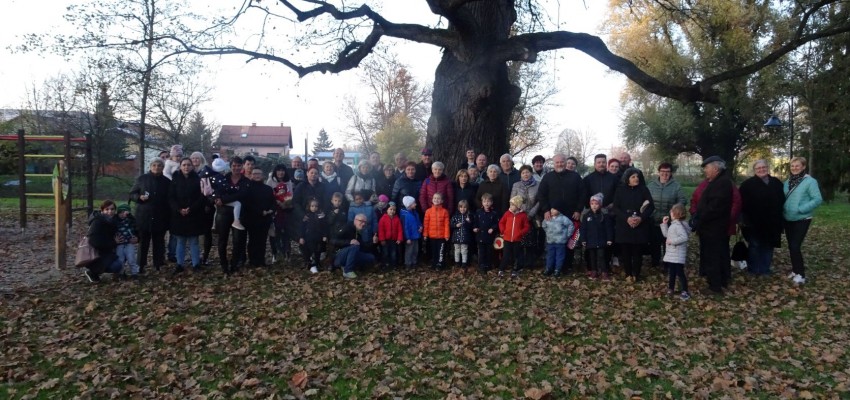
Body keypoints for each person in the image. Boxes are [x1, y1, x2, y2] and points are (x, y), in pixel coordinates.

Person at [692, 156, 733, 294]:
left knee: (713, 256)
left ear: (716, 168)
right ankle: (720, 281)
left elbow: (714, 207)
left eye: (707, 167)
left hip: (713, 228)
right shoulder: (717, 181)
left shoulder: (722, 183)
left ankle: (715, 286)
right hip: (711, 227)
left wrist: (699, 218)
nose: (705, 170)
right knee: (715, 255)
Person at [537, 154, 585, 272]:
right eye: (557, 162)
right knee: (553, 241)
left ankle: (566, 266)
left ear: (565, 162)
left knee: (569, 240)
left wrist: (578, 210)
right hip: (553, 215)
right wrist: (546, 210)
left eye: (562, 162)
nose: (559, 164)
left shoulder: (575, 177)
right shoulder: (548, 177)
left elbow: (582, 194)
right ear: (554, 164)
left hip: (571, 214)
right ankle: (551, 266)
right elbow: (541, 195)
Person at [738, 160, 785, 276]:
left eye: (763, 167)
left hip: (772, 222)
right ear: (754, 170)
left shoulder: (776, 183)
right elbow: (740, 203)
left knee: (769, 246)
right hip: (753, 222)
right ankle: (753, 269)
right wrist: (741, 219)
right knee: (755, 245)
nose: (761, 170)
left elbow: (783, 200)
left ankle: (765, 269)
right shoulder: (747, 185)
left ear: (767, 168)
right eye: (758, 168)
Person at [783, 157, 823, 285]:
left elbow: (817, 199)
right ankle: (795, 271)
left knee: (795, 246)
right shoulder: (787, 182)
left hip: (802, 218)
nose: (794, 168)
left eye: (797, 165)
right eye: (792, 166)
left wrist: (801, 209)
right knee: (791, 246)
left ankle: (801, 274)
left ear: (803, 166)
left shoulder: (810, 182)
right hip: (788, 218)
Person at [612, 168, 654, 282]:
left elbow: (651, 207)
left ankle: (636, 274)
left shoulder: (644, 189)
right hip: (624, 224)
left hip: (640, 224)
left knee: (637, 251)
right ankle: (628, 273)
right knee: (625, 251)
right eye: (633, 177)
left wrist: (641, 218)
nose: (636, 179)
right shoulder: (620, 190)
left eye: (637, 176)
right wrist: (627, 218)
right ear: (627, 179)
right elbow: (616, 207)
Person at [129, 158, 171, 273]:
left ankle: (158, 264)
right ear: (150, 166)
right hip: (144, 216)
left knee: (159, 242)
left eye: (159, 165)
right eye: (154, 165)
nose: (156, 167)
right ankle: (140, 265)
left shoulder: (167, 182)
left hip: (160, 216)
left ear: (163, 167)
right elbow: (132, 193)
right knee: (143, 242)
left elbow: (170, 199)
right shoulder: (142, 179)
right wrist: (139, 197)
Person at [213, 156, 251, 275]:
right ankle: (224, 265)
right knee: (222, 240)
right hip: (223, 213)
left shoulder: (246, 181)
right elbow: (217, 191)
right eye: (234, 165)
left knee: (238, 241)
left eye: (239, 165)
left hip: (239, 216)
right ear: (230, 167)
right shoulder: (223, 178)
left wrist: (223, 199)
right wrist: (217, 198)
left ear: (242, 166)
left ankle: (234, 264)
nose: (236, 168)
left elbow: (242, 195)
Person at [647, 162, 687, 269]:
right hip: (654, 219)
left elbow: (683, 200)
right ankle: (655, 262)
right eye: (662, 171)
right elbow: (645, 200)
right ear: (658, 172)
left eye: (667, 172)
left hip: (669, 221)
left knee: (668, 244)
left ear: (671, 173)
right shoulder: (651, 186)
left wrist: (674, 211)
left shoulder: (676, 186)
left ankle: (667, 264)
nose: (665, 174)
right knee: (654, 243)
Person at [168, 157, 205, 273]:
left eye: (188, 165)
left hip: (194, 214)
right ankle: (179, 264)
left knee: (194, 241)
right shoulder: (175, 179)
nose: (186, 167)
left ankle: (196, 264)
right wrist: (179, 209)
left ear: (192, 166)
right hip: (179, 215)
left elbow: (201, 197)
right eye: (184, 165)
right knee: (180, 241)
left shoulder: (198, 179)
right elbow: (171, 197)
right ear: (180, 166)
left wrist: (191, 209)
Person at [83, 200, 124, 282]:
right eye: (107, 209)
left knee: (120, 260)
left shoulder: (112, 221)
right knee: (117, 265)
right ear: (102, 211)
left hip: (107, 251)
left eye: (112, 209)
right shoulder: (97, 222)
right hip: (96, 254)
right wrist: (113, 242)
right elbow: (94, 242)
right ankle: (93, 272)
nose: (110, 211)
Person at [510, 165, 540, 270]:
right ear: (520, 175)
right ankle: (519, 262)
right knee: (519, 240)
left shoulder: (538, 185)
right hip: (519, 216)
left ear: (531, 173)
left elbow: (540, 201)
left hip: (532, 216)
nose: (525, 174)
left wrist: (531, 214)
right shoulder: (516, 185)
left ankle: (530, 262)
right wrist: (518, 212)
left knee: (531, 241)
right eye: (523, 173)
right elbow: (512, 200)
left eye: (527, 172)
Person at [245, 168, 275, 268]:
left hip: (265, 218)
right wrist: (260, 211)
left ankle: (261, 260)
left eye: (259, 173)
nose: (257, 175)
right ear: (251, 175)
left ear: (263, 176)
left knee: (263, 240)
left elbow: (273, 202)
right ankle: (253, 261)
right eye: (255, 173)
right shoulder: (248, 188)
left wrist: (271, 210)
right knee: (253, 240)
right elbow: (248, 203)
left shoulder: (268, 188)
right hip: (253, 218)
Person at [330, 214, 377, 279]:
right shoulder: (346, 227)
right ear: (355, 220)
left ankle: (352, 267)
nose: (363, 224)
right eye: (361, 221)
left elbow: (363, 247)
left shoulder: (357, 232)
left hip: (349, 254)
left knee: (370, 257)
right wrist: (349, 242)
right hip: (338, 256)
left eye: (365, 222)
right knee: (355, 245)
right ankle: (347, 270)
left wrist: (373, 242)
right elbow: (332, 240)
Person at [661, 203, 691, 300]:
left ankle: (685, 291)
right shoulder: (674, 225)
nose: (670, 214)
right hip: (672, 254)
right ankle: (671, 288)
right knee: (672, 272)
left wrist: (672, 242)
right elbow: (667, 235)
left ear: (676, 214)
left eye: (671, 212)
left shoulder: (678, 226)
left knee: (679, 273)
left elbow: (684, 237)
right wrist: (664, 224)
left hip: (677, 255)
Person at [191, 152, 216, 265]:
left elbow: (211, 190)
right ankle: (195, 255)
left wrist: (208, 204)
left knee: (206, 232)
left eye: (197, 158)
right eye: (193, 158)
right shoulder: (190, 172)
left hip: (206, 206)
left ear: (201, 159)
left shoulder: (207, 171)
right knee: (195, 232)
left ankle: (205, 256)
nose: (195, 160)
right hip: (194, 206)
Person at [579, 194, 611, 280]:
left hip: (601, 240)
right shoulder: (586, 216)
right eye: (592, 204)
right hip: (590, 241)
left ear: (600, 205)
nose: (594, 206)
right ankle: (594, 271)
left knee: (601, 256)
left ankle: (604, 272)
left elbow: (608, 228)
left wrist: (609, 239)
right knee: (592, 257)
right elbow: (583, 229)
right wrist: (583, 239)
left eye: (596, 204)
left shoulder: (604, 216)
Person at [267, 164, 293, 263]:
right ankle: (275, 253)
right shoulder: (270, 181)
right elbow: (268, 195)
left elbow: (291, 195)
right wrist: (277, 201)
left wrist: (285, 204)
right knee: (274, 233)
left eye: (283, 170)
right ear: (275, 172)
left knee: (286, 232)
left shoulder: (288, 182)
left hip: (286, 210)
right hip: (274, 211)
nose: (281, 173)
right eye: (278, 170)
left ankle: (287, 252)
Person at [499, 196, 530, 278]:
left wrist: (521, 233)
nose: (511, 207)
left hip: (517, 239)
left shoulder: (523, 215)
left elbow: (526, 227)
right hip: (507, 239)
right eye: (510, 204)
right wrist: (503, 230)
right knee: (506, 255)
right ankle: (501, 269)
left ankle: (515, 270)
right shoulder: (507, 213)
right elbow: (501, 222)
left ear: (518, 206)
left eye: (513, 205)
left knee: (516, 255)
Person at [543, 201, 575, 277]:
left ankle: (557, 270)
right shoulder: (548, 218)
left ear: (559, 210)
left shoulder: (563, 218)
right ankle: (548, 269)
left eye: (554, 209)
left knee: (559, 256)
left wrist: (567, 235)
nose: (552, 210)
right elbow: (544, 225)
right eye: (551, 209)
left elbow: (571, 225)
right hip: (550, 241)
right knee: (550, 256)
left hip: (560, 242)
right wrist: (548, 232)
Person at [423, 192, 451, 270]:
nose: (436, 200)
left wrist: (447, 235)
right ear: (432, 200)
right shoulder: (428, 211)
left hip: (442, 237)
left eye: (438, 198)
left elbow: (447, 224)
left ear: (442, 201)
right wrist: (425, 234)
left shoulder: (445, 211)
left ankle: (440, 264)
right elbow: (426, 224)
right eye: (435, 198)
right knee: (434, 251)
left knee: (441, 251)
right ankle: (434, 263)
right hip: (432, 236)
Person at [299, 198, 327, 273]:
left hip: (318, 237)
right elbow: (302, 227)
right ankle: (311, 265)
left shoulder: (321, 216)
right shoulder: (306, 216)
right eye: (312, 206)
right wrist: (301, 237)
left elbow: (324, 226)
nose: (314, 208)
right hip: (309, 237)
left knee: (318, 251)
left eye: (316, 206)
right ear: (309, 206)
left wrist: (324, 235)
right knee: (311, 250)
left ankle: (317, 263)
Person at [474, 193, 499, 274]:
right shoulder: (478, 212)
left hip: (489, 237)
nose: (486, 203)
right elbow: (475, 222)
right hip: (480, 236)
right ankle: (481, 266)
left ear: (491, 202)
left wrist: (492, 228)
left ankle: (488, 265)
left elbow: (496, 223)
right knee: (481, 252)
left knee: (489, 251)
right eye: (485, 201)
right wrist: (475, 228)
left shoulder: (494, 213)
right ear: (482, 202)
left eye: (488, 201)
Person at [114, 203, 140, 278]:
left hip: (129, 243)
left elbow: (136, 224)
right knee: (120, 259)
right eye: (120, 213)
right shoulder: (115, 220)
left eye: (124, 213)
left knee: (131, 259)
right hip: (119, 244)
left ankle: (134, 273)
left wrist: (129, 215)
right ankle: (121, 273)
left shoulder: (131, 220)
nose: (122, 214)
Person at [377, 201, 403, 270]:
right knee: (385, 253)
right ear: (387, 210)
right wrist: (382, 239)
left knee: (393, 253)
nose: (392, 211)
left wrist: (399, 238)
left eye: (394, 210)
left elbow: (400, 230)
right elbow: (381, 230)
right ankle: (385, 264)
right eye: (390, 209)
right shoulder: (383, 219)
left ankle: (393, 265)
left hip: (394, 240)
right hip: (385, 240)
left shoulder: (397, 219)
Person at [450, 199, 474, 269]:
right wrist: (456, 225)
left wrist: (468, 222)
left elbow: (471, 227)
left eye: (464, 207)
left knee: (464, 250)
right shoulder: (455, 216)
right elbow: (451, 224)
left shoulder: (468, 216)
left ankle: (464, 263)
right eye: (461, 207)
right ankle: (457, 262)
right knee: (457, 250)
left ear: (467, 208)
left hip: (465, 237)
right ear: (458, 208)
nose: (462, 209)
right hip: (456, 237)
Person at [400, 196, 423, 269]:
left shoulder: (415, 213)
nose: (416, 204)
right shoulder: (404, 215)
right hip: (409, 237)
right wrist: (407, 238)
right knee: (409, 251)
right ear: (409, 205)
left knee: (415, 250)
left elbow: (418, 222)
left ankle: (414, 262)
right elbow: (405, 228)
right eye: (414, 203)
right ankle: (408, 264)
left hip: (416, 235)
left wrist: (420, 227)